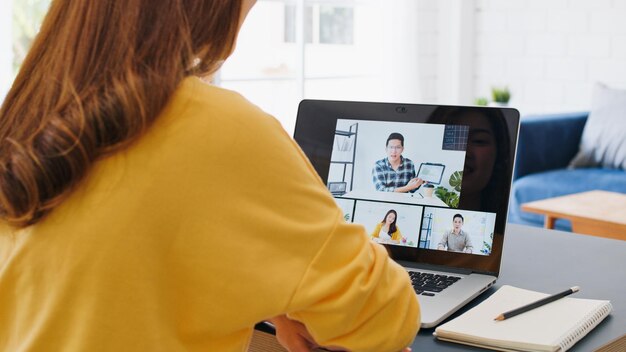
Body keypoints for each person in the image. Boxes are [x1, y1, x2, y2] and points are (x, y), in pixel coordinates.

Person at [0, 1, 419, 351]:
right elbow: (386, 315)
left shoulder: (28, 122)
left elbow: (113, 264)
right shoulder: (220, 129)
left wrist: (274, 293)